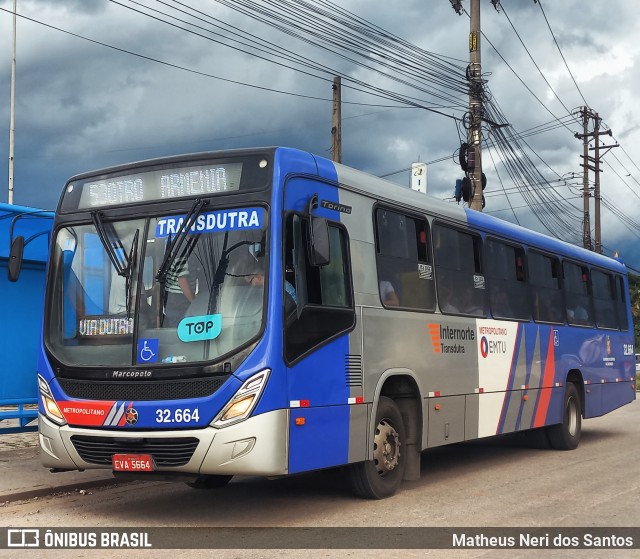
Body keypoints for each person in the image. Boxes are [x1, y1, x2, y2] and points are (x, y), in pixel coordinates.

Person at [163, 255, 195, 327]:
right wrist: (194, 302)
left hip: (177, 298)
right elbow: (182, 280)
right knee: (181, 330)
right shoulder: (182, 251)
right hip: (180, 298)